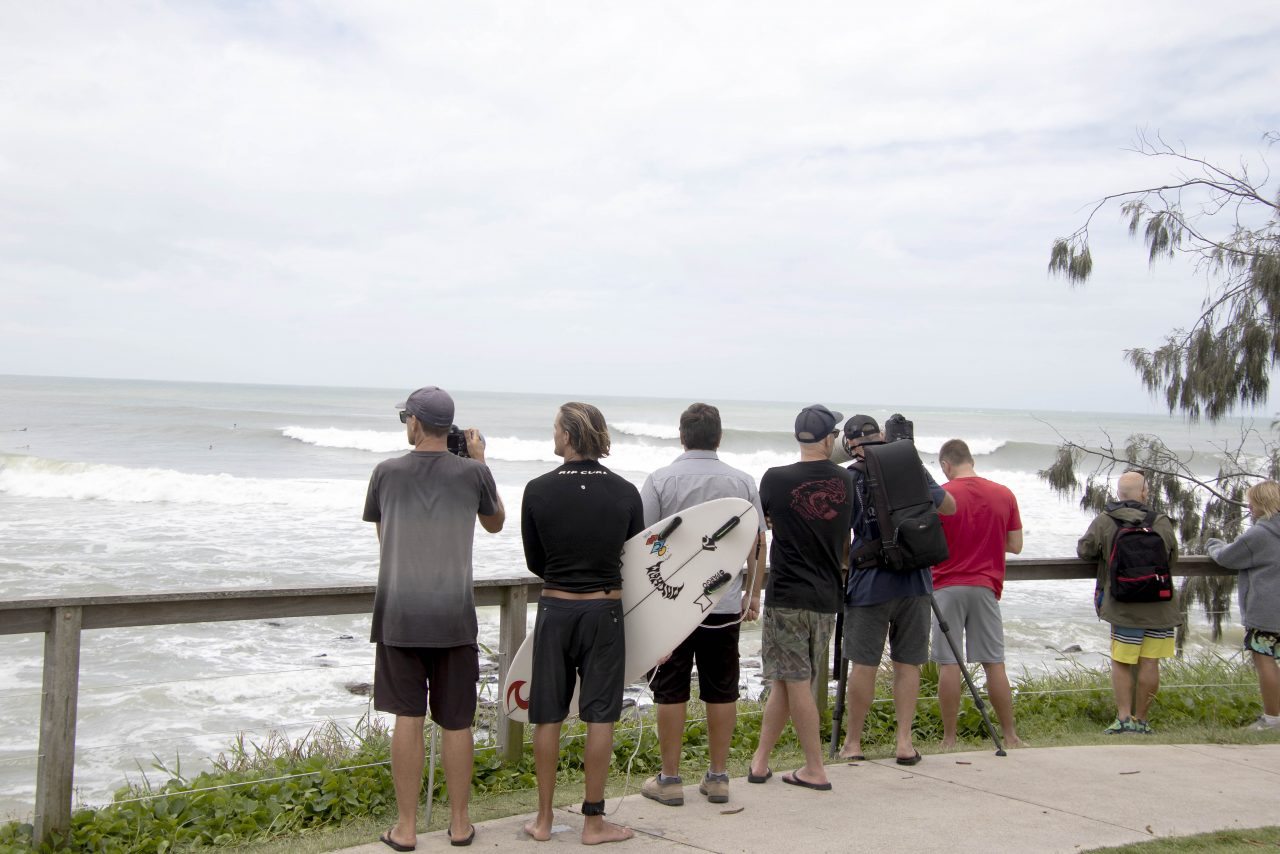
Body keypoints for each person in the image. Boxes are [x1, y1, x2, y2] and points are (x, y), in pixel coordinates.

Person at [363, 386, 505, 851]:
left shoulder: (385, 472)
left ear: (416, 423)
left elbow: (385, 538)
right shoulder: (471, 474)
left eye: (407, 417)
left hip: (400, 614)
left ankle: (405, 828)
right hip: (453, 615)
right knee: (457, 721)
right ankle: (460, 824)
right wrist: (481, 461)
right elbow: (496, 522)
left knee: (408, 716)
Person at [520, 402, 645, 845]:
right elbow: (635, 560)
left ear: (569, 436)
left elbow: (537, 561)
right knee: (600, 717)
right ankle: (594, 823)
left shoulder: (537, 490)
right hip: (604, 613)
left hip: (556, 611)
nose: (553, 436)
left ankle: (544, 820)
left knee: (548, 716)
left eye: (556, 429)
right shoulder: (626, 491)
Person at [639, 403, 767, 807]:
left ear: (682, 435)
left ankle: (670, 778)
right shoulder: (743, 481)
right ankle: (718, 777)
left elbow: (647, 542)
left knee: (671, 689)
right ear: (718, 437)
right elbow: (757, 541)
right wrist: (753, 591)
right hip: (724, 603)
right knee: (721, 689)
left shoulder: (660, 481)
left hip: (671, 605)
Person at [749, 404, 855, 792]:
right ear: (829, 439)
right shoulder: (846, 482)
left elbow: (761, 525)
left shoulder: (775, 479)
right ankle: (760, 762)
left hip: (787, 594)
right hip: (826, 596)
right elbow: (847, 531)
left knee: (796, 680)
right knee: (785, 679)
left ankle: (815, 768)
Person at [838, 415, 955, 764]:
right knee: (909, 664)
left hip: (870, 583)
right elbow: (950, 506)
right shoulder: (912, 467)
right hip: (916, 580)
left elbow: (842, 535)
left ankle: (853, 743)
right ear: (882, 436)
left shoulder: (850, 477)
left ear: (850, 444)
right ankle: (903, 742)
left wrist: (846, 566)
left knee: (864, 663)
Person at [931, 439, 1023, 749]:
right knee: (994, 662)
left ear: (946, 465)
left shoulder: (942, 497)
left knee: (949, 662)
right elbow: (1015, 544)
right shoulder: (1003, 494)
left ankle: (949, 738)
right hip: (985, 585)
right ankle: (1009, 735)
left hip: (946, 585)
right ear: (971, 459)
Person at [1077, 470, 1180, 734]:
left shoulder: (1106, 520)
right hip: (1159, 603)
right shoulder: (1161, 521)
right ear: (1144, 493)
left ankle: (1123, 718)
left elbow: (1085, 551)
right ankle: (1142, 721)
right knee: (1150, 662)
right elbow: (1172, 557)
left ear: (1118, 495)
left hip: (1123, 604)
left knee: (1122, 662)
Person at [1206, 480, 1280, 731]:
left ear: (1262, 504)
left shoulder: (1260, 533)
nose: (1249, 507)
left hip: (1268, 612)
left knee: (1265, 660)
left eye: (1252, 502)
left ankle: (1272, 719)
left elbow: (1229, 558)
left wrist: (1214, 544)